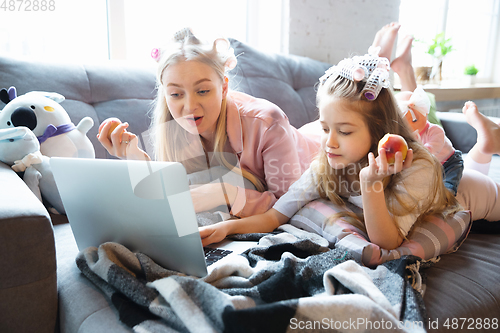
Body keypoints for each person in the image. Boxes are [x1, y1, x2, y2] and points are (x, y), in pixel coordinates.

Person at [200, 52, 462, 250]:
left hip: (452, 182)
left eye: (344, 132)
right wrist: (227, 228)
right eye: (325, 129)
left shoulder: (417, 168)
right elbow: (275, 215)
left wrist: (371, 185)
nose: (329, 143)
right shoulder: (326, 165)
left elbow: (387, 242)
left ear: (379, 130)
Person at [97, 28, 320, 217]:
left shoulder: (267, 121)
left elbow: (287, 207)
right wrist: (136, 158)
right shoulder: (176, 127)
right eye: (175, 94)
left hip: (326, 148)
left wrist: (224, 192)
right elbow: (177, 191)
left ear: (223, 87)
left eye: (203, 91)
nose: (189, 106)